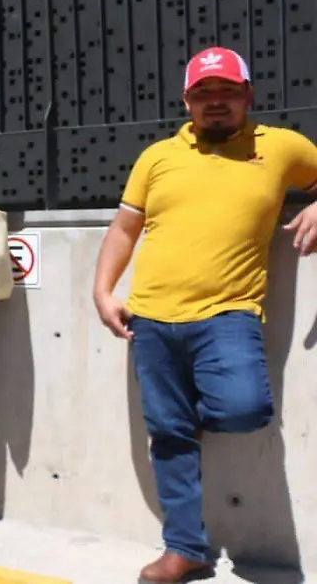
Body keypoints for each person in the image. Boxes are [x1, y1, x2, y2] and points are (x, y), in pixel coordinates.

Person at [92, 46, 317, 583]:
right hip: (150, 319)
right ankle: (186, 548)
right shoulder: (157, 157)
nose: (215, 104)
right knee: (168, 434)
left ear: (247, 96)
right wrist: (102, 292)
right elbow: (124, 229)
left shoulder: (282, 147)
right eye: (203, 95)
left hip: (228, 315)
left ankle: (190, 418)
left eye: (227, 93)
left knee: (243, 407)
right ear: (187, 101)